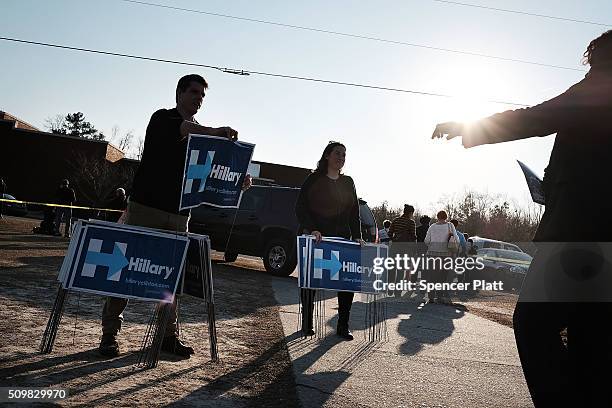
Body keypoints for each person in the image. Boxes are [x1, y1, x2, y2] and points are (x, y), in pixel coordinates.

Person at [431, 30, 612, 407]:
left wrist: (470, 126)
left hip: (578, 236)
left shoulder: (600, 89)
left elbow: (535, 118)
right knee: (589, 340)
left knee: (533, 324)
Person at [99, 74, 251, 358]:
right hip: (146, 209)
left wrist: (236, 181)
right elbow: (186, 129)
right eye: (194, 92)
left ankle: (168, 336)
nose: (198, 98)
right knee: (123, 271)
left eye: (203, 95)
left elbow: (212, 176)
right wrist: (217, 131)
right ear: (179, 92)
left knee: (171, 281)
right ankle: (109, 334)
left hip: (180, 215)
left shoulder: (205, 141)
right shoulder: (163, 119)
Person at [296, 141, 363, 340]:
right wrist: (312, 228)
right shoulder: (313, 179)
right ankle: (307, 324)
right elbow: (300, 207)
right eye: (337, 153)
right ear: (327, 155)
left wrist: (357, 235)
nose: (341, 158)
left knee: (346, 284)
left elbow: (354, 213)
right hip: (317, 239)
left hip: (341, 241)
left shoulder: (348, 181)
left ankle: (343, 326)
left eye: (344, 155)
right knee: (310, 282)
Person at [424, 210, 460, 304]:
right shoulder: (450, 225)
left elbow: (426, 240)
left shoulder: (432, 226)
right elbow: (456, 239)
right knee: (443, 276)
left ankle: (431, 297)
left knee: (432, 276)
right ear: (446, 217)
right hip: (446, 255)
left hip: (432, 254)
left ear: (437, 217)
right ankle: (440, 296)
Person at [388, 205, 417, 295]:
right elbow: (413, 237)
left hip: (394, 247)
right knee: (400, 270)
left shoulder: (396, 220)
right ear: (410, 213)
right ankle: (397, 291)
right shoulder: (411, 222)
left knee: (392, 269)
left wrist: (394, 239)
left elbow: (389, 233)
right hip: (405, 249)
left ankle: (390, 288)